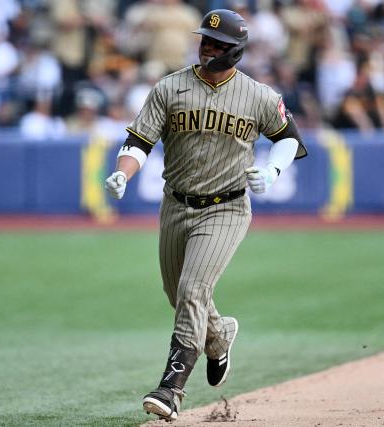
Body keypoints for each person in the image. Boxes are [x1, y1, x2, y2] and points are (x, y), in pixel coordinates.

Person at [104, 9, 307, 422]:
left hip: (227, 207)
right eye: (204, 41)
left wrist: (271, 170)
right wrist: (122, 173)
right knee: (177, 294)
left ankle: (171, 389)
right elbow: (139, 140)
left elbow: (288, 138)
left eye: (217, 44)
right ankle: (219, 336)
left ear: (236, 51)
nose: (207, 49)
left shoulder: (259, 96)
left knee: (193, 290)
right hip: (176, 203)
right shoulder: (170, 88)